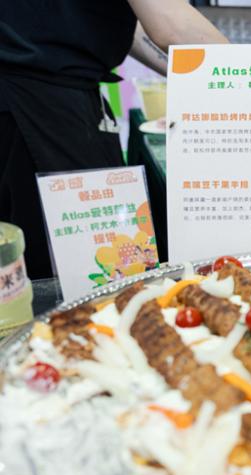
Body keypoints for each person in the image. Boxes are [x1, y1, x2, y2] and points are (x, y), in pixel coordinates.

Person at [0, 0, 228, 279]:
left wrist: (198, 74)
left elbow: (123, 21)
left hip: (43, 98)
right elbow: (171, 24)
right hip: (37, 109)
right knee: (80, 279)